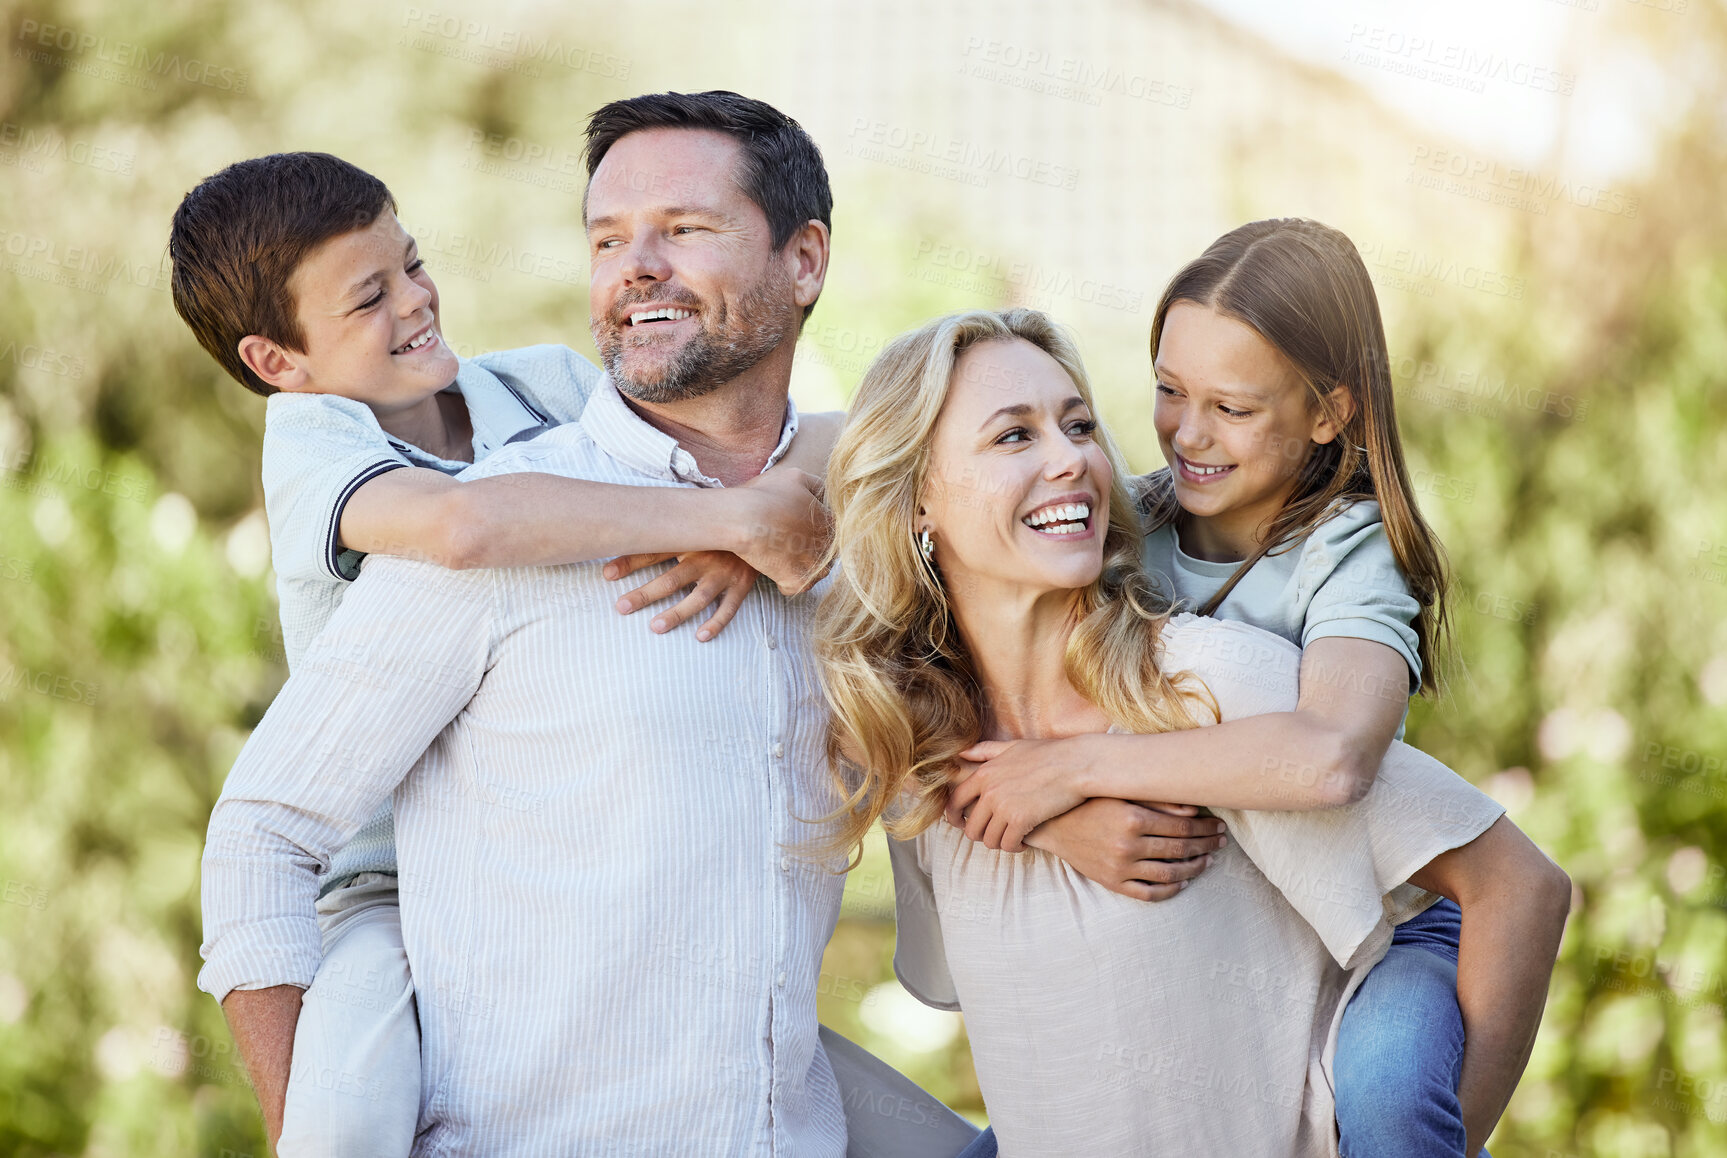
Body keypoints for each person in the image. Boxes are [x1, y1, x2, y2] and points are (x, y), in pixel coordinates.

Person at [170, 148, 836, 1153]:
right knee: (339, 1117)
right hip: (381, 882)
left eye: (413, 264)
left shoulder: (532, 384)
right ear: (279, 361)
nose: (415, 301)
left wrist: (747, 513)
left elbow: (814, 436)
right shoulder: (313, 444)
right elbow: (461, 528)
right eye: (367, 299)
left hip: (535, 862)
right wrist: (733, 523)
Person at [815, 307, 1573, 1156]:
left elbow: (1520, 887)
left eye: (1078, 425)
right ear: (916, 497)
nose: (1071, 458)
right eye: (1012, 437)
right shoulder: (925, 758)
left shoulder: (1207, 686)